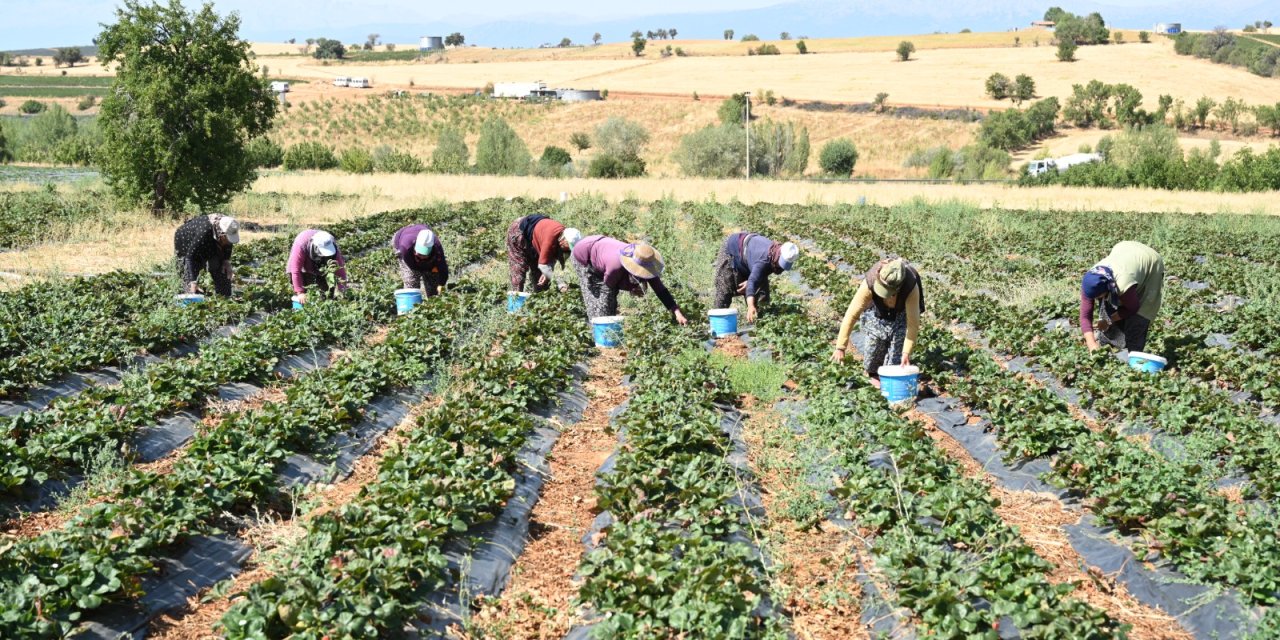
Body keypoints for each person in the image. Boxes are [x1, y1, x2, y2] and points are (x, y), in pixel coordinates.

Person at [830, 258, 925, 388]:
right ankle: (873, 372)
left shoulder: (910, 287)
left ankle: (893, 358)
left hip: (901, 314)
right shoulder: (870, 281)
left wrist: (906, 353)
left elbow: (912, 324)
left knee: (893, 366)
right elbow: (852, 314)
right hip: (877, 312)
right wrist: (840, 347)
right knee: (871, 362)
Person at [571, 235, 688, 325]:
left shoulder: (645, 259)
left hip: (604, 251)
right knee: (597, 302)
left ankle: (608, 328)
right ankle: (596, 333)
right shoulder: (615, 265)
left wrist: (677, 312)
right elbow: (607, 291)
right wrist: (605, 318)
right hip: (584, 254)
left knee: (610, 306)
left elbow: (661, 290)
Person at [1080, 241, 1164, 353]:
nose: (1095, 299)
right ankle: (1110, 343)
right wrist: (1091, 344)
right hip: (1124, 250)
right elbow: (1085, 316)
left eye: (1097, 296)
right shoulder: (1090, 280)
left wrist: (1109, 320)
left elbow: (1133, 308)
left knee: (1139, 318)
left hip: (1150, 261)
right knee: (1107, 304)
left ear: (1108, 288)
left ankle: (1135, 355)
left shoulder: (1123, 284)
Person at [712, 231, 799, 323]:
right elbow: (753, 280)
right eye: (780, 262)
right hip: (732, 248)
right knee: (725, 289)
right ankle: (717, 324)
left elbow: (759, 276)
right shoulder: (763, 260)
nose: (781, 267)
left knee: (761, 293)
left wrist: (750, 282)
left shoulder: (774, 255)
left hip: (750, 255)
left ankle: (761, 320)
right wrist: (750, 305)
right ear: (779, 254)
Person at [506, 214, 581, 293]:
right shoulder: (550, 239)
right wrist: (560, 283)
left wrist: (546, 274)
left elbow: (550, 259)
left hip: (535, 236)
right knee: (519, 271)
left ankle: (539, 299)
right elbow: (543, 265)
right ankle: (515, 301)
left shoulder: (565, 235)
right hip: (519, 231)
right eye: (569, 246)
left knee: (541, 275)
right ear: (563, 240)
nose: (569, 249)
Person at [174, 213, 240, 297]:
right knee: (189, 279)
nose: (228, 242)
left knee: (222, 272)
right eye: (227, 238)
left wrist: (226, 260)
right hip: (185, 241)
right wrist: (192, 281)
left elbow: (228, 244)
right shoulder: (205, 231)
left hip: (210, 239)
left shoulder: (229, 226)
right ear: (221, 234)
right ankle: (188, 298)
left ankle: (224, 297)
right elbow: (190, 257)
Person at [287, 229, 348, 303]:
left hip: (320, 266)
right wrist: (300, 292)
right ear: (316, 248)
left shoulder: (332, 246)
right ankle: (299, 309)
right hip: (303, 263)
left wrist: (342, 290)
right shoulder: (301, 245)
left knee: (325, 294)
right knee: (301, 293)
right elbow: (296, 270)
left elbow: (340, 272)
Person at [392, 224, 449, 297]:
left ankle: (432, 302)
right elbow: (413, 267)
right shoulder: (406, 247)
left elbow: (443, 268)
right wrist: (424, 270)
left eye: (424, 254)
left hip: (419, 232)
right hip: (401, 238)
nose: (421, 257)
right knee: (411, 280)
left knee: (433, 280)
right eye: (419, 253)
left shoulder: (437, 248)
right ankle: (412, 304)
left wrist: (441, 284)